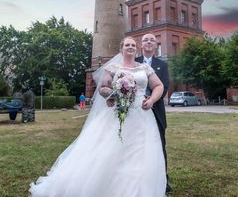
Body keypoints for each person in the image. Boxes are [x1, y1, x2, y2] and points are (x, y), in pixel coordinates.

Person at [29, 36, 166, 197]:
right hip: (117, 112)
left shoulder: (144, 68)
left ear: (136, 49)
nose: (130, 47)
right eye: (127, 45)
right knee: (112, 149)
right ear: (121, 48)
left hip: (142, 116)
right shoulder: (113, 67)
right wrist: (112, 93)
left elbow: (158, 85)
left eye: (133, 45)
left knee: (139, 153)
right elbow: (103, 88)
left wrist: (152, 100)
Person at [135, 33, 172, 193]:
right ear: (141, 45)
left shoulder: (162, 65)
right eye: (145, 40)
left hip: (156, 111)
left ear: (156, 45)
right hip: (135, 112)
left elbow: (164, 85)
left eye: (152, 40)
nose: (149, 42)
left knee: (159, 146)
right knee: (136, 146)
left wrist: (152, 99)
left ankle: (163, 180)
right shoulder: (133, 62)